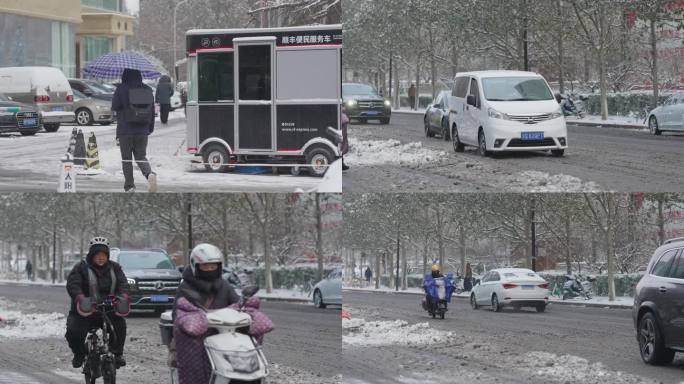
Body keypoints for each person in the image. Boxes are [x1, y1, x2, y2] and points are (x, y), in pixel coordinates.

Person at [172, 244, 273, 384]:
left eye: (213, 266)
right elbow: (177, 315)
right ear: (195, 266)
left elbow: (237, 304)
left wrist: (245, 309)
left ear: (219, 267)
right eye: (205, 266)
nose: (209, 270)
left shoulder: (224, 285)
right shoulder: (185, 288)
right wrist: (193, 320)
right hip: (199, 337)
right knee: (194, 358)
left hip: (225, 335)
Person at [65, 237, 129, 369]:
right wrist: (81, 298)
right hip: (84, 311)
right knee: (73, 332)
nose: (101, 258)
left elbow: (123, 284)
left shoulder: (115, 268)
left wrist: (123, 297)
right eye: (97, 255)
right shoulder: (81, 268)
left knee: (119, 326)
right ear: (91, 255)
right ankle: (79, 354)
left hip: (108, 309)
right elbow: (73, 285)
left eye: (103, 255)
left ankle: (116, 354)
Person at [112, 68, 157, 193]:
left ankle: (130, 186)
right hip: (142, 130)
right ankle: (149, 174)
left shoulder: (121, 89)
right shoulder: (147, 89)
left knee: (126, 159)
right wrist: (150, 128)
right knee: (141, 156)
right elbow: (152, 111)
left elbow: (114, 106)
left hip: (125, 130)